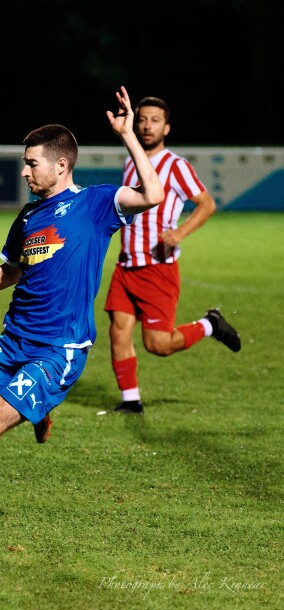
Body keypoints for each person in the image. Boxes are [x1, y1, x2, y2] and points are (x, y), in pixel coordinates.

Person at [0, 87, 165, 533]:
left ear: (61, 165)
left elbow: (152, 194)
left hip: (58, 349)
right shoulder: (30, 216)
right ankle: (34, 407)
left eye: (32, 163)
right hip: (13, 342)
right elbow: (9, 271)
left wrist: (129, 135)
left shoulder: (96, 205)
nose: (25, 170)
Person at [103, 96, 241, 414]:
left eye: (154, 120)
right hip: (126, 266)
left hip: (157, 268)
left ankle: (210, 324)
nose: (147, 125)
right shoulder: (131, 161)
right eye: (142, 119)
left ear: (166, 127)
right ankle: (130, 400)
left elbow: (207, 204)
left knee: (158, 345)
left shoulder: (176, 166)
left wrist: (179, 233)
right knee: (118, 329)